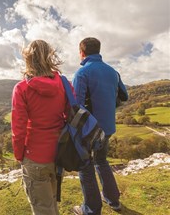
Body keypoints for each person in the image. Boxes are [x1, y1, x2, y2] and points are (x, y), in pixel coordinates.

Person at [11, 40, 70, 215]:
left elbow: (18, 128)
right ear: (49, 57)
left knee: (42, 207)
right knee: (51, 199)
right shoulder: (64, 84)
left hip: (35, 156)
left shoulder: (21, 88)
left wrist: (18, 154)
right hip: (59, 152)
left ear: (28, 58)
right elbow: (70, 115)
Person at [72, 37, 128, 215]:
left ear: (82, 52)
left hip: (89, 130)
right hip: (108, 128)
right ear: (98, 50)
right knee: (102, 161)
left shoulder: (82, 73)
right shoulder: (113, 72)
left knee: (85, 165)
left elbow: (76, 106)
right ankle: (113, 201)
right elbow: (124, 96)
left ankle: (91, 209)